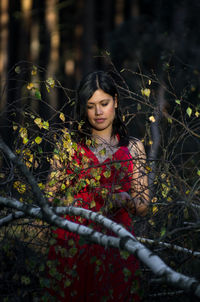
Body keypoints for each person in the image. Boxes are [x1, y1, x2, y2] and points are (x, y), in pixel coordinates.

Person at [45, 70, 149, 301]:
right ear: (84, 107)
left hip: (117, 244)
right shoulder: (67, 146)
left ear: (116, 102)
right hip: (71, 245)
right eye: (91, 105)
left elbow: (143, 205)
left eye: (104, 103)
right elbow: (47, 200)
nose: (98, 112)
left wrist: (126, 199)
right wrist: (68, 203)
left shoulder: (133, 147)